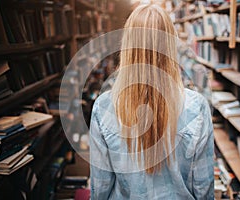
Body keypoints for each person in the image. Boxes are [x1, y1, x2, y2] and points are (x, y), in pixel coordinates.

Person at [90, 3, 214, 199]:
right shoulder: (196, 106)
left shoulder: (103, 106)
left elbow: (100, 187)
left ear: (128, 45)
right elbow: (203, 187)